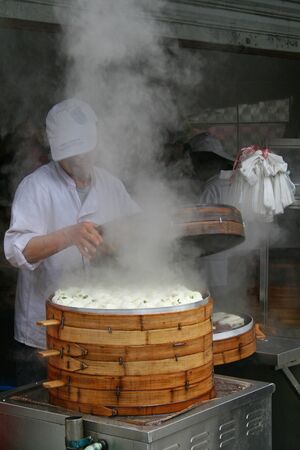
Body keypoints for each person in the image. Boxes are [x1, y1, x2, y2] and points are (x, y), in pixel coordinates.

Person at [4, 98, 140, 385]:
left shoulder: (111, 184)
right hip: (44, 337)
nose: (79, 159)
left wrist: (115, 243)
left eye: (85, 150)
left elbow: (137, 230)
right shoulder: (36, 187)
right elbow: (17, 252)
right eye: (71, 153)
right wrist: (69, 235)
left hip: (99, 331)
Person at [185, 132, 235, 305]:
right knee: (227, 297)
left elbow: (198, 226)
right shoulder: (231, 183)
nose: (194, 167)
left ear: (210, 162)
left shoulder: (212, 188)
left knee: (214, 301)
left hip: (214, 257)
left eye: (197, 162)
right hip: (232, 255)